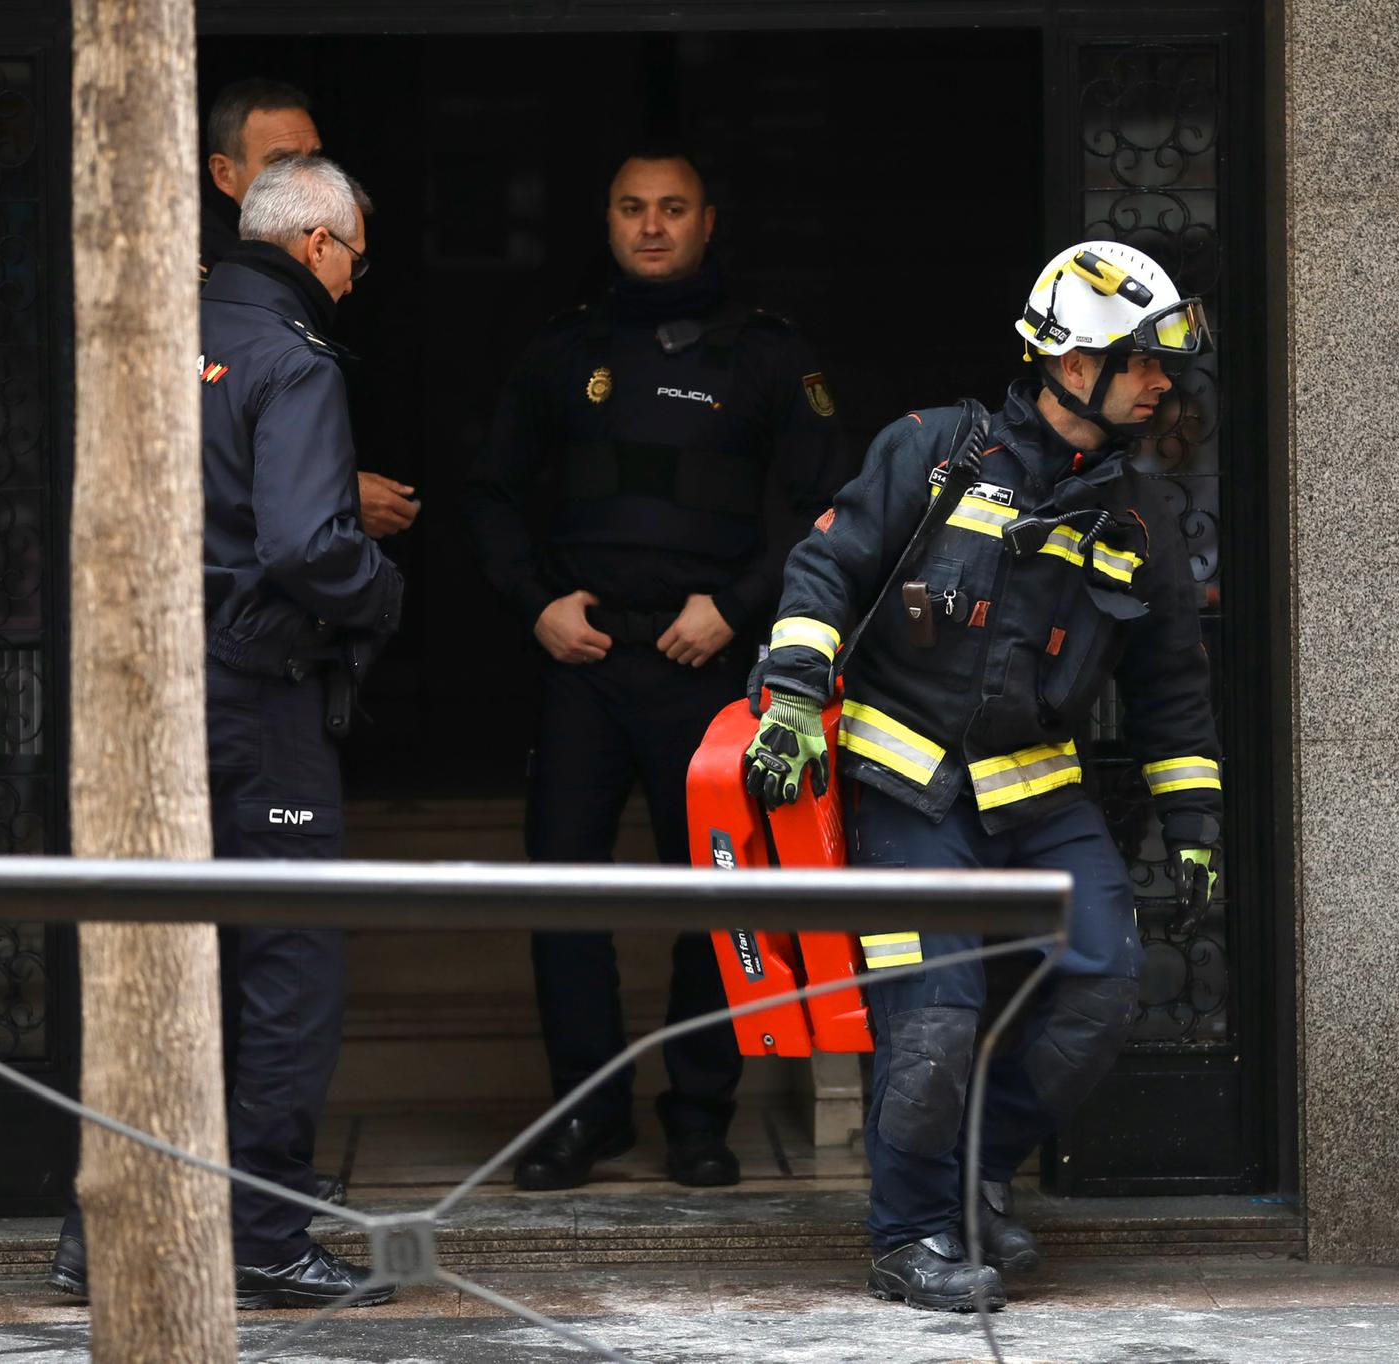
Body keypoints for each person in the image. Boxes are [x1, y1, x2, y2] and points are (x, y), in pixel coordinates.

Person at [742, 241, 1225, 1311]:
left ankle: (970, 1176)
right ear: (1072, 363)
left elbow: (1170, 685)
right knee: (936, 1012)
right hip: (906, 784)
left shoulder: (1138, 512)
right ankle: (907, 1235)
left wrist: (1191, 820)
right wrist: (791, 693)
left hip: (1039, 794)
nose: (1161, 382)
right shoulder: (931, 450)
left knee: (1104, 988)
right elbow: (826, 566)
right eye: (1142, 361)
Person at [51, 154, 403, 1310]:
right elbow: (306, 545)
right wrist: (382, 588)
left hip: (145, 692)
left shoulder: (156, 332)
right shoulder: (292, 360)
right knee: (286, 968)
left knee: (157, 963)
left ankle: (99, 1233)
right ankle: (259, 1232)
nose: (351, 282)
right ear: (316, 245)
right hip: (259, 695)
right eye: (353, 260)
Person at [463, 147, 849, 1191]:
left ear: (707, 221)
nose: (650, 225)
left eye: (672, 208)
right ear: (606, 219)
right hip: (584, 661)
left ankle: (699, 1115)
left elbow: (829, 509)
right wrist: (534, 603)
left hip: (704, 665)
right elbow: (490, 491)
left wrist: (736, 607)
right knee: (564, 891)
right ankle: (585, 1117)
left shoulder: (765, 353)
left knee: (713, 893)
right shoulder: (562, 350)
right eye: (631, 207)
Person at [202, 76, 418, 541]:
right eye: (280, 162)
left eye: (315, 159)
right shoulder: (180, 273)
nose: (305, 176)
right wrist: (334, 493)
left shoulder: (331, 244)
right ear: (223, 174)